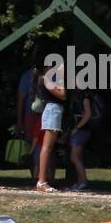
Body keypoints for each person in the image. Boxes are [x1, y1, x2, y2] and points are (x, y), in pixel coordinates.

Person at [35, 62, 67, 193]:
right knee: (46, 147)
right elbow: (62, 94)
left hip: (55, 110)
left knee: (49, 147)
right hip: (52, 110)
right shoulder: (47, 79)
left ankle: (42, 180)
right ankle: (41, 181)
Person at [64, 83, 93, 192]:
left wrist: (77, 127)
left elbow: (88, 114)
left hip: (81, 130)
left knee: (74, 157)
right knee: (77, 158)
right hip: (79, 130)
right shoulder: (78, 96)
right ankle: (80, 181)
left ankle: (83, 182)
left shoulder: (85, 97)